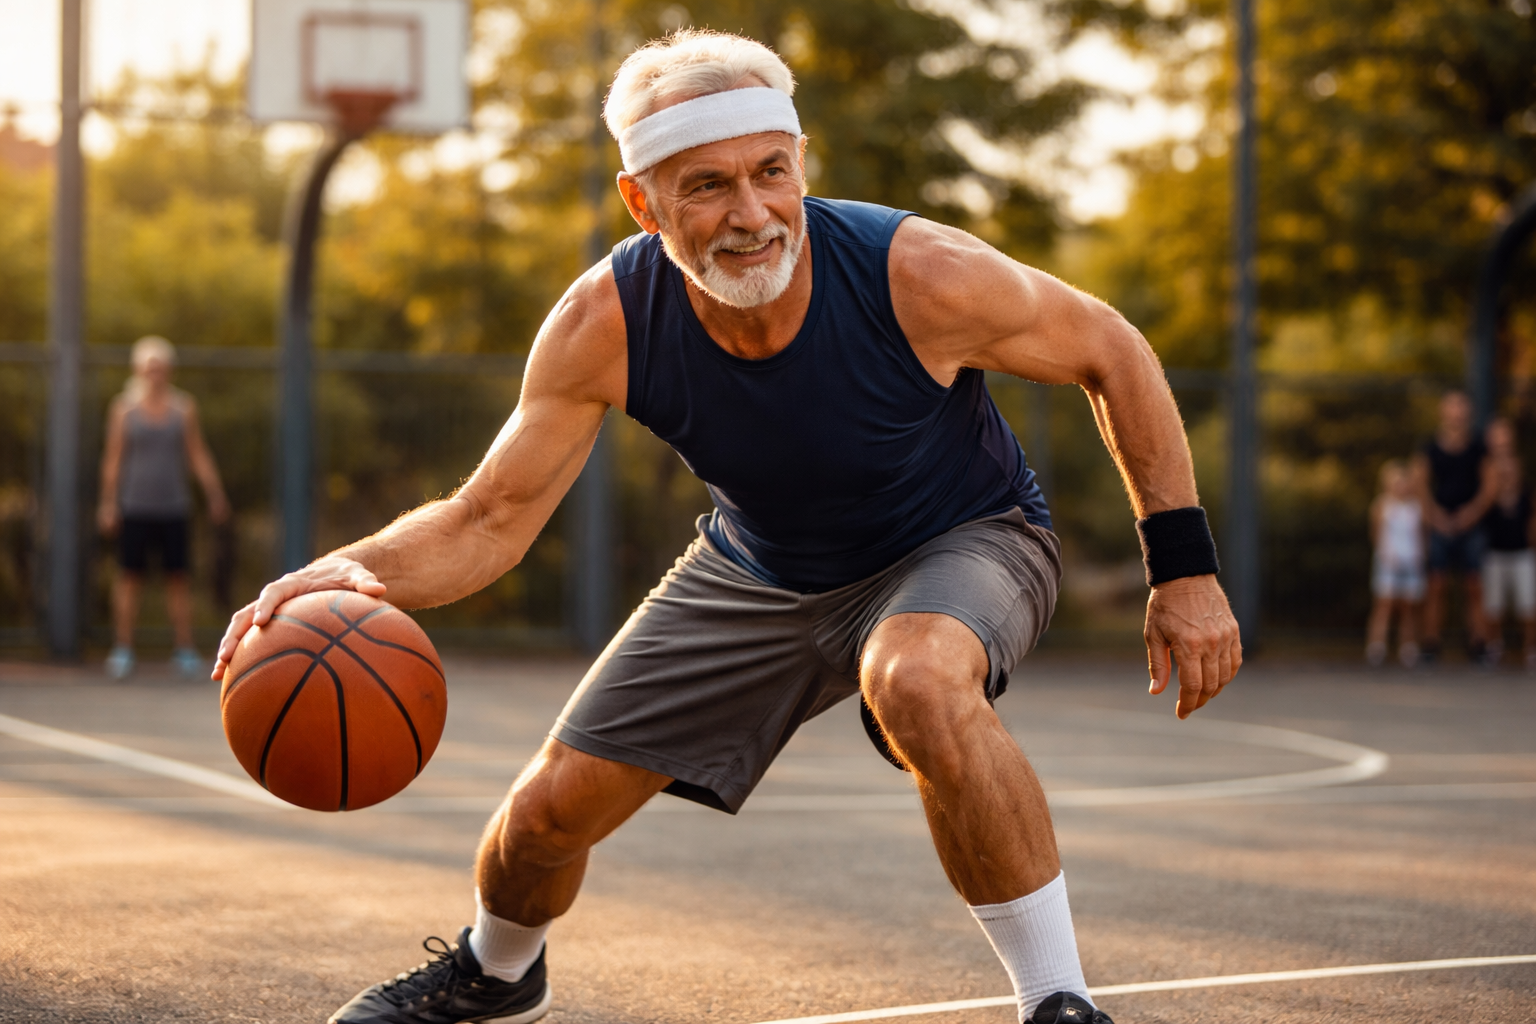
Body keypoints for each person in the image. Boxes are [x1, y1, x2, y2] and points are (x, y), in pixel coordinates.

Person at [215, 31, 1241, 1024]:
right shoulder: (606, 321)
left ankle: (1058, 1001)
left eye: (771, 172)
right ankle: (496, 971)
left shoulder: (916, 273)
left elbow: (1114, 348)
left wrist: (1184, 570)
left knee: (916, 676)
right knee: (542, 818)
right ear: (642, 199)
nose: (751, 213)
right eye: (706, 184)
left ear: (801, 166)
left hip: (962, 534)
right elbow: (489, 518)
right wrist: (350, 568)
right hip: (761, 565)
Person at [98, 336, 230, 678]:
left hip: (174, 507)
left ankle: (184, 650)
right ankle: (123, 649)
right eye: (149, 367)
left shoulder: (183, 408)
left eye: (160, 367)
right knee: (129, 577)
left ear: (168, 370)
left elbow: (197, 454)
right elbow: (113, 460)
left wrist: (214, 493)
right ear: (138, 369)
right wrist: (108, 504)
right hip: (134, 507)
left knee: (179, 579)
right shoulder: (123, 409)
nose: (155, 373)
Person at [1413, 390, 1489, 661]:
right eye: (1452, 407)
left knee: (1474, 586)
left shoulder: (1479, 446)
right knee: (1436, 585)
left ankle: (1479, 645)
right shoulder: (1430, 446)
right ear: (1443, 412)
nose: (1457, 413)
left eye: (1462, 408)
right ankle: (1431, 644)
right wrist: (1435, 516)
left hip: (1471, 526)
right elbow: (1420, 483)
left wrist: (1472, 513)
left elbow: (1489, 485)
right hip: (1440, 524)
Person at [1476, 419, 1536, 668]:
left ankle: (1530, 649)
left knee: (1528, 605)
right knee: (1493, 606)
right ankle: (1494, 647)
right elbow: (1479, 513)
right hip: (1494, 554)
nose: (1506, 474)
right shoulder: (1488, 497)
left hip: (1522, 553)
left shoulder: (1526, 495)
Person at [1366, 459, 1424, 667]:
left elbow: (1419, 536)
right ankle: (1376, 647)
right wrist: (1387, 555)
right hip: (1388, 562)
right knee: (1384, 605)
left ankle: (1408, 647)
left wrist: (1417, 557)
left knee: (1408, 607)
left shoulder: (1415, 506)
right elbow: (1376, 534)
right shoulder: (1382, 505)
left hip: (1410, 562)